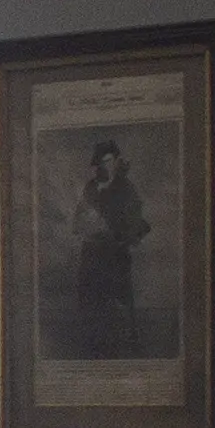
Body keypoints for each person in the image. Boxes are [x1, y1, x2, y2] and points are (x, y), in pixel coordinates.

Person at [69, 136, 156, 359]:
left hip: (115, 253)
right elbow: (79, 220)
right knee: (91, 297)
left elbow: (134, 217)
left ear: (116, 162)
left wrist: (125, 235)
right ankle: (94, 344)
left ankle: (125, 345)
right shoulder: (91, 187)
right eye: (102, 162)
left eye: (109, 161)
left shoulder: (125, 187)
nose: (105, 166)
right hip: (92, 252)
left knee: (119, 299)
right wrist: (87, 225)